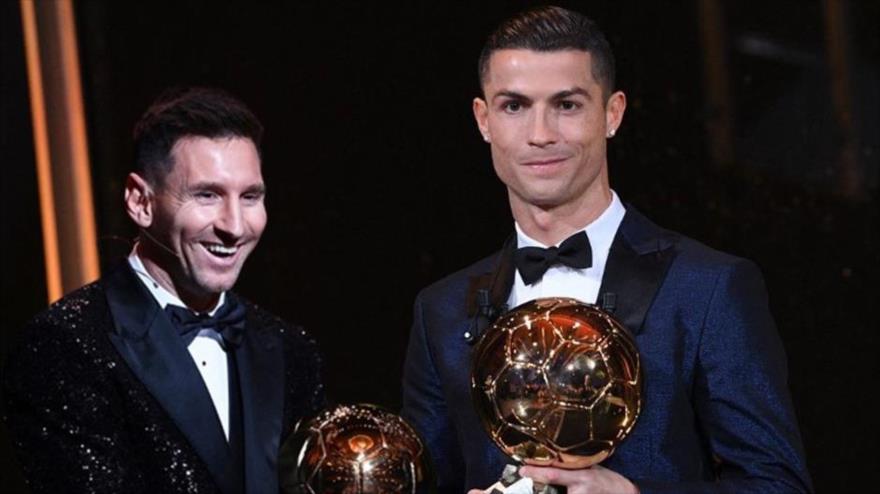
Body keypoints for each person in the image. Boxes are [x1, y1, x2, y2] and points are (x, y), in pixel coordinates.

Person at [401, 6, 812, 494]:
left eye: (567, 105)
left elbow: (778, 485)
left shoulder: (709, 288)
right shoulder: (441, 312)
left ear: (612, 113)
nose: (540, 134)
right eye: (514, 106)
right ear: (483, 119)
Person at [2, 87, 324, 494]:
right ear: (140, 202)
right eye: (206, 195)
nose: (235, 225)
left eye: (249, 197)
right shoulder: (65, 345)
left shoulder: (292, 350)